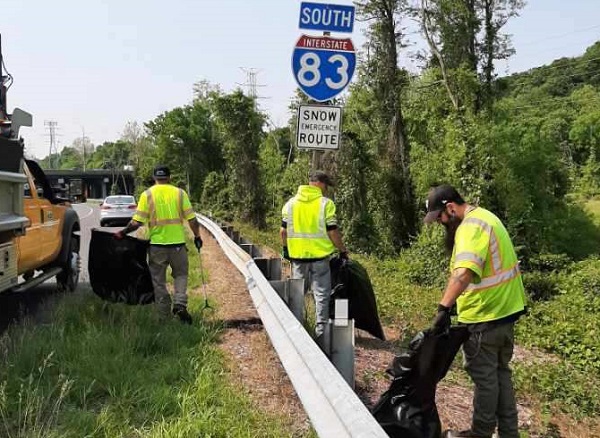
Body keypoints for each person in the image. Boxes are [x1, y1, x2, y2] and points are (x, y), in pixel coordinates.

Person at [424, 184, 527, 438]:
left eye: (440, 218)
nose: (441, 224)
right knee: (500, 375)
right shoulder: (486, 217)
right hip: (505, 313)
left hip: (485, 317)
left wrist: (443, 308)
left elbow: (464, 273)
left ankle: (479, 434)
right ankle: (509, 433)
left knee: (485, 381)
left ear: (450, 208)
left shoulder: (470, 227)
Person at [114, 165, 202, 324]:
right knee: (181, 275)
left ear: (154, 178)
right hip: (178, 245)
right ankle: (180, 303)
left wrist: (122, 232)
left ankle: (164, 316)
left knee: (158, 281)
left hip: (157, 247)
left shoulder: (147, 195)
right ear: (169, 177)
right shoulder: (180, 193)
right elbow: (193, 220)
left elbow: (136, 223)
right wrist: (197, 236)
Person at [280, 170, 349, 338]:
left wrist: (286, 249)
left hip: (297, 258)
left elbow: (283, 231)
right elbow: (332, 232)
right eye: (326, 186)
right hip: (320, 259)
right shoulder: (326, 204)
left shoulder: (290, 204)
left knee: (298, 293)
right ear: (321, 184)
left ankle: (296, 331)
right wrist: (343, 250)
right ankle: (321, 334)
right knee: (321, 295)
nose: (326, 190)